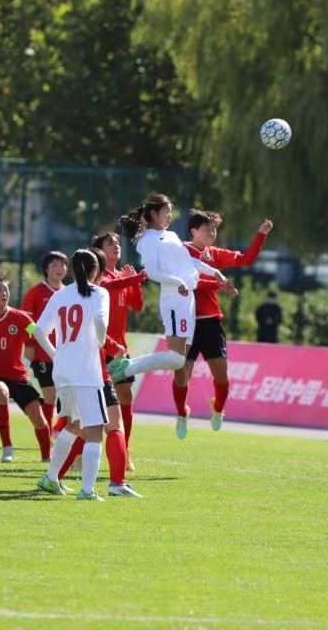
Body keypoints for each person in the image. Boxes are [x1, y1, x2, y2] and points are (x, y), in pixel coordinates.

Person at [108, 194, 230, 439]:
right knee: (176, 359)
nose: (170, 215)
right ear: (154, 214)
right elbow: (152, 272)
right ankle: (126, 367)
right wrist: (177, 282)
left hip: (188, 298)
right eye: (166, 211)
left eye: (171, 211)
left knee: (178, 360)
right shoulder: (147, 240)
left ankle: (127, 368)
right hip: (174, 299)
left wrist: (213, 271)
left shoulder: (172, 235)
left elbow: (189, 261)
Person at [174, 210, 272, 436]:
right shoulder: (180, 252)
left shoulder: (215, 254)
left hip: (210, 323)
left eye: (214, 229)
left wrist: (260, 235)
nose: (212, 233)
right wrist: (219, 284)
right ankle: (181, 414)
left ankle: (218, 409)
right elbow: (191, 282)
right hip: (185, 322)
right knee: (181, 375)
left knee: (221, 375)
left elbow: (246, 259)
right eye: (206, 229)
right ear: (193, 231)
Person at [35, 249, 119, 501]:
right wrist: (101, 341)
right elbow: (101, 321)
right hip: (86, 372)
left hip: (63, 372)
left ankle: (51, 478)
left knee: (73, 424)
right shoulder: (99, 293)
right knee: (94, 430)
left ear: (72, 270)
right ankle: (87, 491)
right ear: (96, 270)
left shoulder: (60, 295)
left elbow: (39, 330)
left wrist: (55, 355)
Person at [0, 275, 57, 463]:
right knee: (1, 393)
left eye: (6, 290)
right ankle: (7, 449)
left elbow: (36, 332)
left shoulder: (20, 317)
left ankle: (47, 457)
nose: (4, 293)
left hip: (17, 375)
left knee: (38, 417)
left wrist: (32, 345)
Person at [92, 231, 147, 466]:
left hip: (120, 349)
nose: (116, 245)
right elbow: (109, 286)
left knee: (125, 395)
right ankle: (79, 450)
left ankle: (125, 450)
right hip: (98, 348)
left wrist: (136, 283)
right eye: (109, 243)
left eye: (117, 242)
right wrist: (136, 278)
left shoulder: (122, 277)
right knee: (93, 401)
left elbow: (138, 306)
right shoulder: (99, 277)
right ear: (99, 251)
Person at [20, 251, 69, 431]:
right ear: (46, 269)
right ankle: (47, 435)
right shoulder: (35, 293)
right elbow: (26, 323)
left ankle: (60, 432)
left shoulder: (69, 293)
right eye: (55, 264)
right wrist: (29, 344)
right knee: (50, 396)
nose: (60, 268)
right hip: (42, 354)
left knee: (66, 395)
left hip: (65, 353)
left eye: (63, 264)